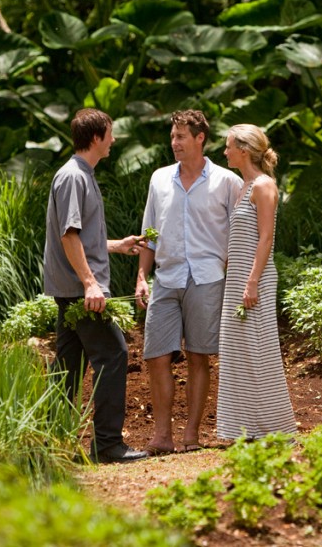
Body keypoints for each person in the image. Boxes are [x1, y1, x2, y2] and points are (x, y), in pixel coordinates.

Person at [44, 108, 149, 464]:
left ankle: (48, 442)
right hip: (79, 292)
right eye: (110, 133)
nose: (114, 139)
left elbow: (82, 238)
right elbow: (68, 235)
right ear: (96, 138)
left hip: (72, 290)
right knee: (114, 354)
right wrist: (90, 284)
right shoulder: (74, 177)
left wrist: (117, 246)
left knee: (67, 367)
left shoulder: (80, 175)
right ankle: (107, 445)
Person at [135, 110, 242, 454]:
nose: (174, 143)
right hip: (166, 277)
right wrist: (141, 276)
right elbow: (149, 234)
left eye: (181, 136)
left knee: (199, 356)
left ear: (200, 139)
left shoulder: (227, 181)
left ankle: (191, 435)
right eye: (172, 136)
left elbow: (240, 234)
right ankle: (161, 435)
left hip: (208, 278)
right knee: (156, 356)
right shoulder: (159, 179)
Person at [216, 123, 296, 441]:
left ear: (244, 150)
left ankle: (275, 428)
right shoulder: (243, 188)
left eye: (228, 146)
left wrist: (251, 282)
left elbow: (265, 239)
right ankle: (242, 429)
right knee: (238, 353)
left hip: (255, 280)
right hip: (237, 278)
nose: (225, 151)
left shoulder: (264, 186)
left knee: (259, 352)